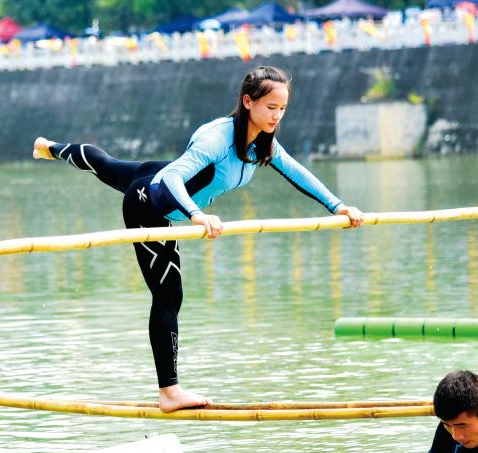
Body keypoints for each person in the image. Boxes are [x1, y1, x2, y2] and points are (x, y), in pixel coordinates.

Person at [32, 65, 364, 412]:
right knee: (168, 294)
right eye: (270, 108)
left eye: (282, 109)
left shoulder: (263, 143)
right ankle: (169, 392)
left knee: (106, 163)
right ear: (248, 101)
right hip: (150, 204)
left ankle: (49, 147)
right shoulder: (217, 138)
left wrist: (338, 206)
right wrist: (197, 215)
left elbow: (297, 171)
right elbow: (174, 178)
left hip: (155, 175)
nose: (276, 116)